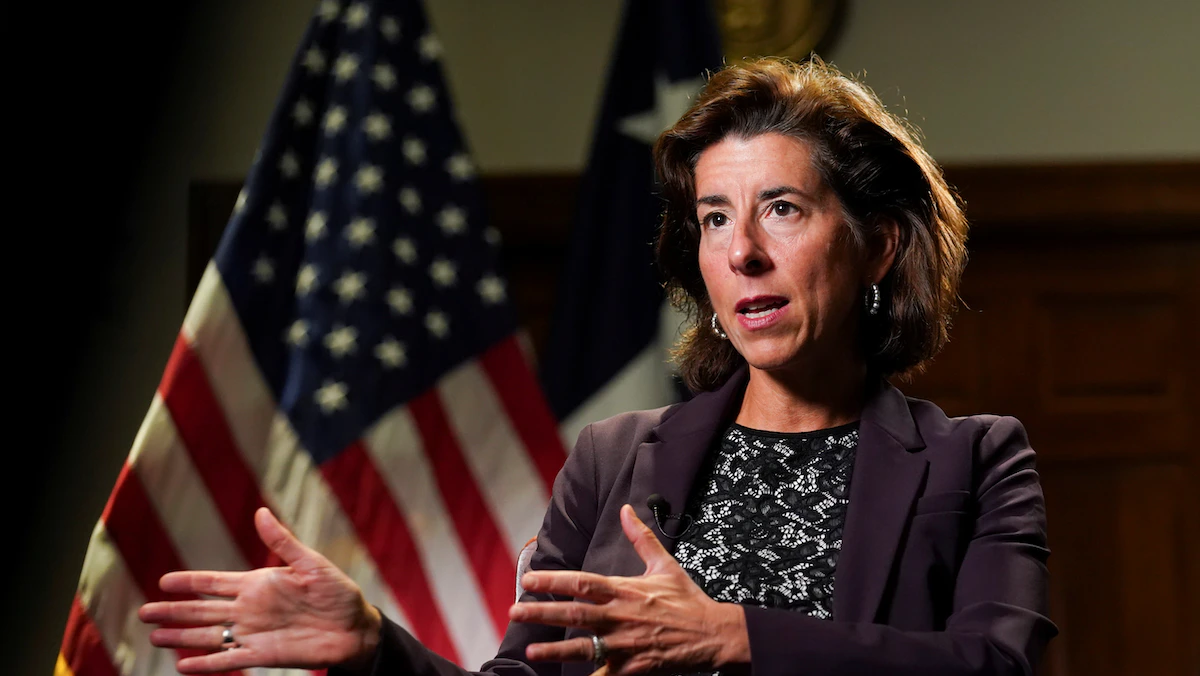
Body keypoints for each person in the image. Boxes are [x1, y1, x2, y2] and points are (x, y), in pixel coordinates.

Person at [139, 56, 1057, 676]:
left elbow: (994, 661)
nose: (741, 252)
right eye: (714, 218)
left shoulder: (977, 462)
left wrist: (733, 635)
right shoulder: (614, 456)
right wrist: (376, 646)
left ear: (879, 246)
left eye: (782, 209)